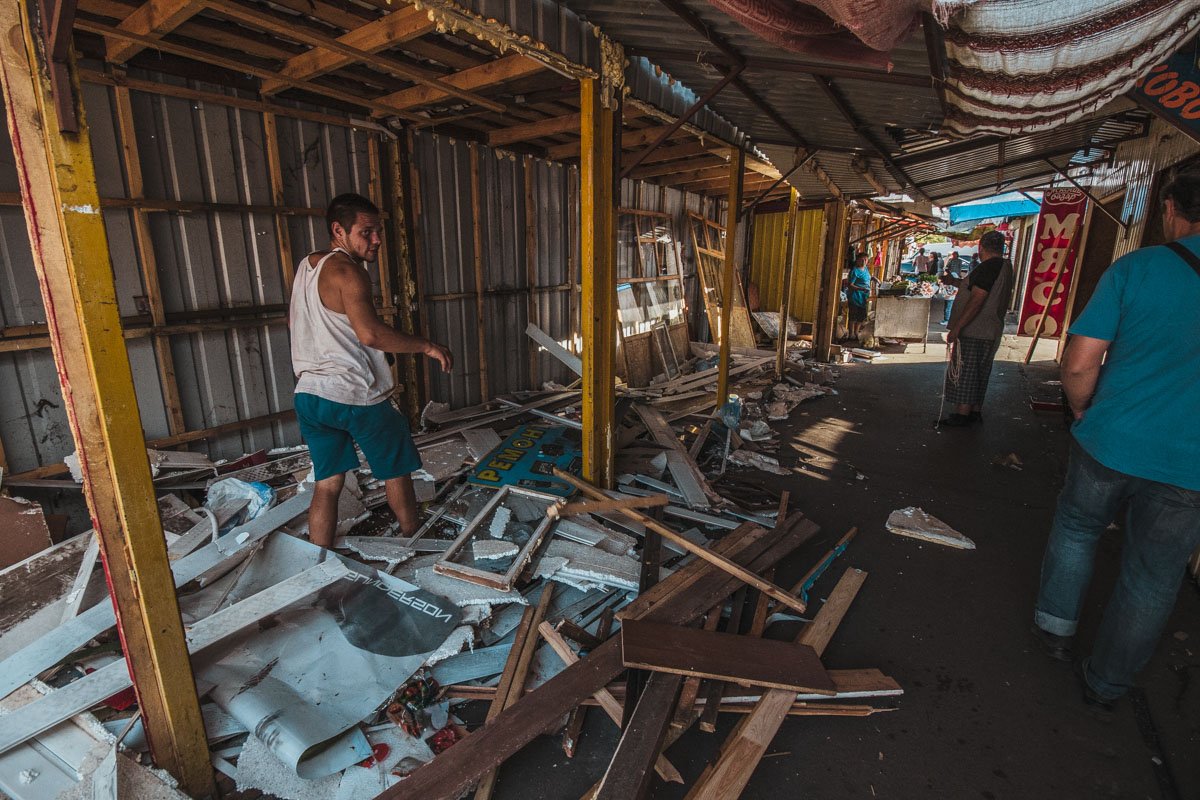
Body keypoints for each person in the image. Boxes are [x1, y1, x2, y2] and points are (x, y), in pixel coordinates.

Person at [1030, 172, 1200, 713]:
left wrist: (1085, 412)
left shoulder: (1138, 268)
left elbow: (1079, 363)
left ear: (1171, 208)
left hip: (1110, 439)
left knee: (1078, 529)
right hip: (1191, 465)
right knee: (1152, 577)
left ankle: (1055, 631)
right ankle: (1106, 684)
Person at [289, 193, 454, 547]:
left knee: (328, 483)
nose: (376, 240)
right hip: (355, 395)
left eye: (378, 231)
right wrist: (426, 345)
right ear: (339, 230)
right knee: (397, 471)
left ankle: (319, 559)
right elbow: (371, 334)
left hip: (310, 395)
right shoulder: (349, 273)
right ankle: (416, 539)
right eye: (367, 232)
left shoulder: (308, 266)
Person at [938, 230, 1013, 427]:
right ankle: (974, 411)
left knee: (967, 372)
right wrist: (954, 282)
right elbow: (974, 287)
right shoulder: (1002, 266)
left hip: (976, 330)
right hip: (991, 328)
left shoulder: (990, 266)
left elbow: (978, 298)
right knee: (980, 371)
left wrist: (957, 327)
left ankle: (963, 414)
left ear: (981, 248)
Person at [845, 252, 872, 341]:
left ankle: (857, 332)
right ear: (857, 260)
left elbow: (867, 278)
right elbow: (850, 284)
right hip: (855, 296)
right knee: (853, 316)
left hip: (864, 297)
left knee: (861, 316)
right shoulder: (855, 271)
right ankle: (851, 333)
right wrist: (860, 289)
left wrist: (874, 279)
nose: (864, 262)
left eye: (866, 260)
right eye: (862, 260)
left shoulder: (865, 269)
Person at [940, 250, 963, 325]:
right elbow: (948, 267)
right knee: (948, 307)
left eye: (954, 254)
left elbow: (960, 268)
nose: (954, 256)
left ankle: (947, 320)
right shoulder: (951, 260)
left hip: (955, 276)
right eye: (953, 254)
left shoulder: (959, 261)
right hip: (953, 276)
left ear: (957, 255)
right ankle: (947, 319)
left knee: (948, 307)